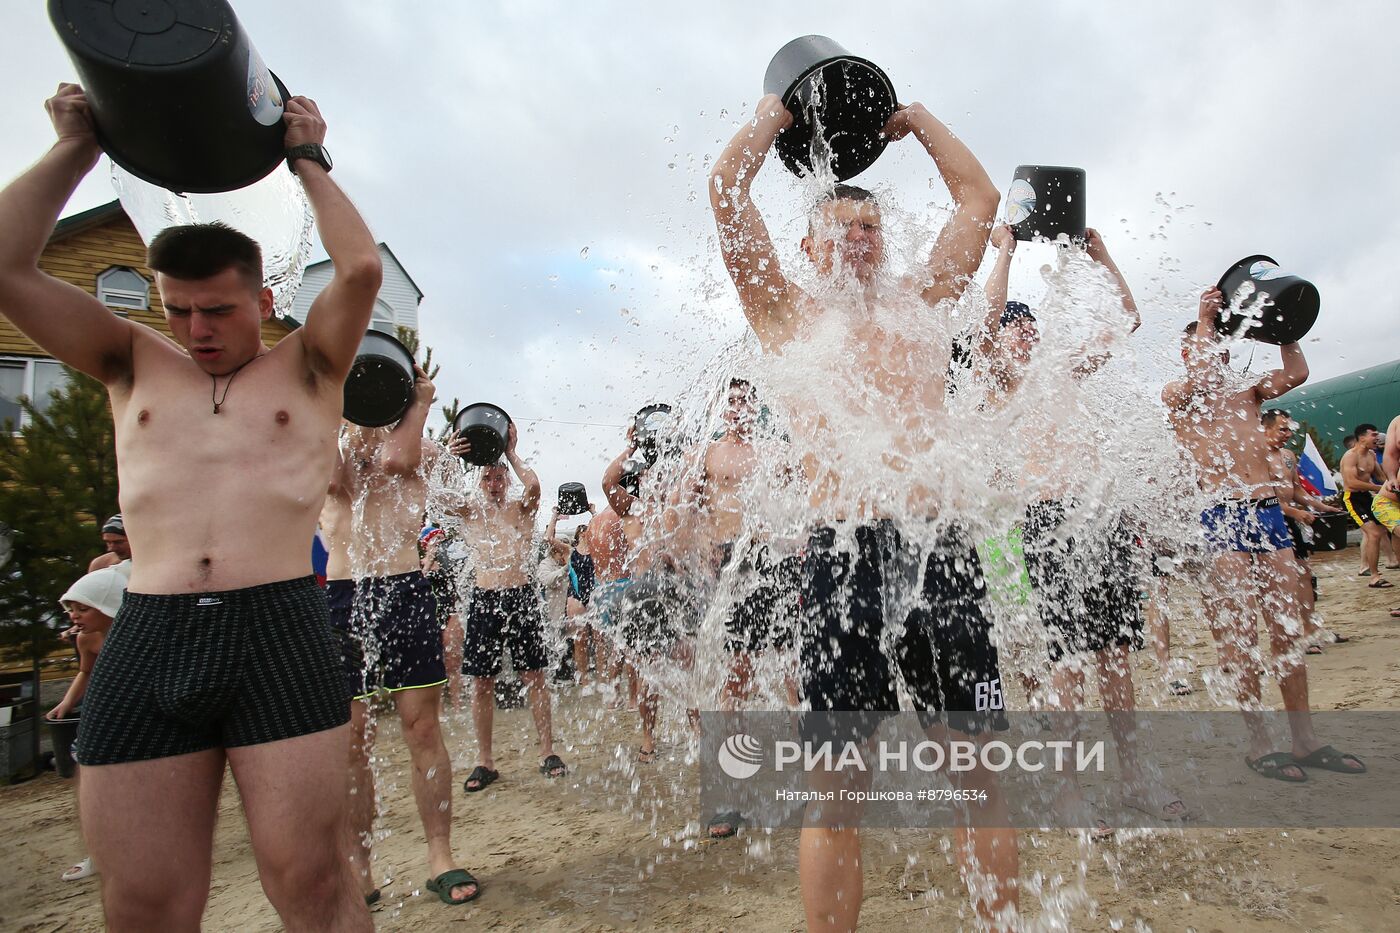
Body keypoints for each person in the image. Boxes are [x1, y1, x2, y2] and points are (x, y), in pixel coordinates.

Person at [0, 84, 381, 930]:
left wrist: (306, 156)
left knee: (312, 882)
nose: (197, 328)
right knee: (144, 902)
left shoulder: (310, 366)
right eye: (178, 309)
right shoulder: (130, 361)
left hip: (277, 624)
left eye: (217, 309)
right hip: (153, 625)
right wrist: (76, 148)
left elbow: (359, 269)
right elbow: (4, 267)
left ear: (264, 301)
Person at [710, 94, 1017, 929]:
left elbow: (979, 202)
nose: (858, 235)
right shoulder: (787, 316)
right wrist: (776, 114)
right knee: (837, 790)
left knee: (980, 773)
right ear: (807, 249)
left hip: (938, 548)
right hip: (842, 558)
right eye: (839, 227)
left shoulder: (925, 301)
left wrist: (916, 120)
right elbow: (727, 195)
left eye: (871, 227)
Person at [978, 223, 1184, 834]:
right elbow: (984, 321)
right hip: (1047, 523)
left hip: (1101, 516)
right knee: (1066, 661)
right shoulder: (1000, 385)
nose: (1024, 332)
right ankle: (1069, 790)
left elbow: (1129, 322)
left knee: (1116, 656)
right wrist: (1007, 251)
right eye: (1015, 326)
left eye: (1028, 325)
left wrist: (1103, 256)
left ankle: (1135, 776)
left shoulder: (1060, 371)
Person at [1163, 288, 1364, 783]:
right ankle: (1259, 742)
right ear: (1190, 353)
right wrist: (1204, 317)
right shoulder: (1178, 395)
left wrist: (1284, 328)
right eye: (1208, 347)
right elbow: (1203, 375)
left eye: (1223, 347)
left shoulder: (1247, 391)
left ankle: (1304, 738)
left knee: (1286, 628)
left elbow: (1296, 373)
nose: (1220, 357)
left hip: (1268, 513)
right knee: (1238, 635)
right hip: (1220, 514)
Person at [321, 368, 480, 908]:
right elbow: (337, 477)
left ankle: (441, 854)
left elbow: (401, 461)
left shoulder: (419, 446)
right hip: (345, 593)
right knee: (351, 736)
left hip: (404, 587)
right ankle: (359, 867)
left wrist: (422, 401)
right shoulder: (330, 438)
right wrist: (344, 406)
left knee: (422, 726)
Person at [449, 423, 566, 788]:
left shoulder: (521, 509)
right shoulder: (471, 512)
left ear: (506, 479)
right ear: (480, 481)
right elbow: (438, 498)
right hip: (485, 599)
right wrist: (451, 459)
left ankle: (547, 751)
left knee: (535, 677)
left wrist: (512, 452)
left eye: (500, 476)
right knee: (482, 683)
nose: (495, 482)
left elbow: (535, 487)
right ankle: (485, 762)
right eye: (488, 477)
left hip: (521, 595)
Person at [48, 565, 127, 883]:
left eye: (83, 608)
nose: (74, 617)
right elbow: (86, 672)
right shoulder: (86, 640)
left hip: (137, 721)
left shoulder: (144, 634)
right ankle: (100, 853)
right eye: (71, 609)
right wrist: (67, 703)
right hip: (103, 717)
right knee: (94, 785)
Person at [1261, 409, 1347, 651]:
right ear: (1264, 429)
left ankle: (1310, 629)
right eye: (1282, 429)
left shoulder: (1288, 455)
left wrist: (1322, 507)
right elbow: (1261, 496)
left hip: (1288, 521)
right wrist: (1295, 512)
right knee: (1280, 580)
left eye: (1290, 429)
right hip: (1267, 520)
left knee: (1304, 574)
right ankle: (1289, 635)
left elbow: (1295, 489)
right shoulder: (1256, 456)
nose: (1288, 434)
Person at [1340, 424, 1393, 586]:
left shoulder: (1371, 454)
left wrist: (1392, 484)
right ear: (1362, 438)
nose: (1377, 438)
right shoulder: (1350, 456)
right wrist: (1378, 488)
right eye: (1373, 435)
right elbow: (1352, 483)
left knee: (1382, 531)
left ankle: (1374, 567)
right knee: (1374, 534)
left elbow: (1380, 476)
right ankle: (1374, 576)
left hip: (1367, 497)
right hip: (1352, 498)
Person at [421, 525, 466, 707]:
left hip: (451, 612)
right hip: (428, 615)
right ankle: (437, 709)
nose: (440, 544)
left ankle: (457, 705)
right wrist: (430, 560)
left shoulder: (451, 563)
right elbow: (417, 585)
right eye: (435, 540)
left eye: (441, 539)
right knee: (433, 664)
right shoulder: (419, 564)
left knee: (453, 662)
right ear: (426, 543)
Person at [565, 517, 598, 686]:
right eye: (583, 531)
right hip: (576, 597)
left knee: (599, 638)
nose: (586, 532)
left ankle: (602, 678)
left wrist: (594, 513)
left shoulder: (597, 548)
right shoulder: (570, 551)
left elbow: (604, 528)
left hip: (595, 595)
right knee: (580, 639)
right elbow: (548, 539)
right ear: (579, 534)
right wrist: (556, 516)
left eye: (588, 530)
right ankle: (584, 679)